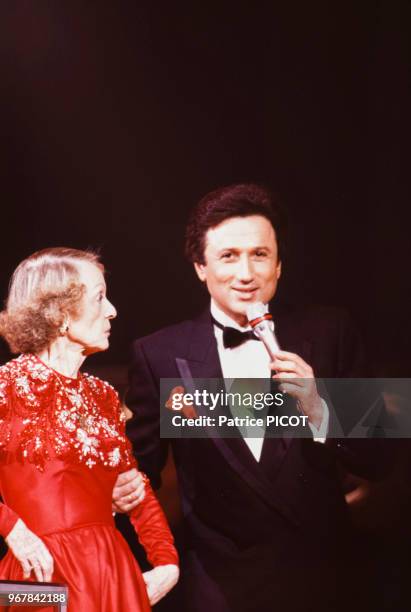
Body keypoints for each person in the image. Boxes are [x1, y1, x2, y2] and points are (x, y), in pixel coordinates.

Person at [126, 184, 389, 612]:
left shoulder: (330, 332)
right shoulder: (158, 355)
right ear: (199, 266)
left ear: (279, 265)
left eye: (260, 255)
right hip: (218, 588)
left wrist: (322, 409)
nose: (246, 273)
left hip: (325, 582)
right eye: (228, 256)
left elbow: (381, 461)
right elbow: (138, 477)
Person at [0, 247, 179, 611]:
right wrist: (13, 529)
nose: (112, 310)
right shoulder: (6, 387)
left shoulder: (103, 396)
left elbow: (134, 488)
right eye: (100, 297)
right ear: (60, 313)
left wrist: (167, 563)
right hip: (40, 576)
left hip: (111, 572)